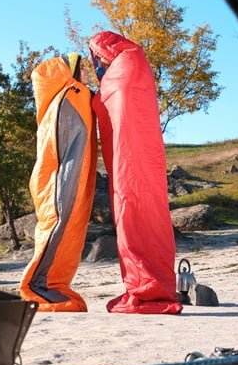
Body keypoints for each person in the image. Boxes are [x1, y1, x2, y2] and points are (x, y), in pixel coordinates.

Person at [88, 31, 182, 314]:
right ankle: (156, 285)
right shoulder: (136, 68)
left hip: (130, 168)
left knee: (134, 220)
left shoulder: (121, 76)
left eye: (96, 57)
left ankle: (147, 288)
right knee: (150, 219)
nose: (96, 65)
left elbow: (109, 103)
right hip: (144, 167)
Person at [19, 53, 98, 312]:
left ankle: (54, 284)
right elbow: (61, 150)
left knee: (69, 231)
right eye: (83, 68)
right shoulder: (69, 97)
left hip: (64, 178)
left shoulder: (73, 96)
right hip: (57, 182)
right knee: (58, 226)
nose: (87, 73)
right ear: (69, 72)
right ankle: (37, 286)